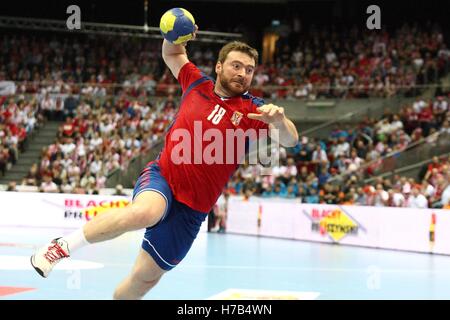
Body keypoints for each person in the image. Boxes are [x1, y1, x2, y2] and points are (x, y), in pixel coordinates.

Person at [30, 24, 298, 299]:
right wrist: (174, 35)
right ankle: (61, 247)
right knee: (146, 212)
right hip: (164, 177)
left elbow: (290, 139)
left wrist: (279, 121)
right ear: (219, 67)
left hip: (193, 210)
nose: (242, 74)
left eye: (249, 69)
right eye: (236, 66)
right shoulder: (197, 83)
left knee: (144, 279)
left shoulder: (254, 111)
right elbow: (172, 54)